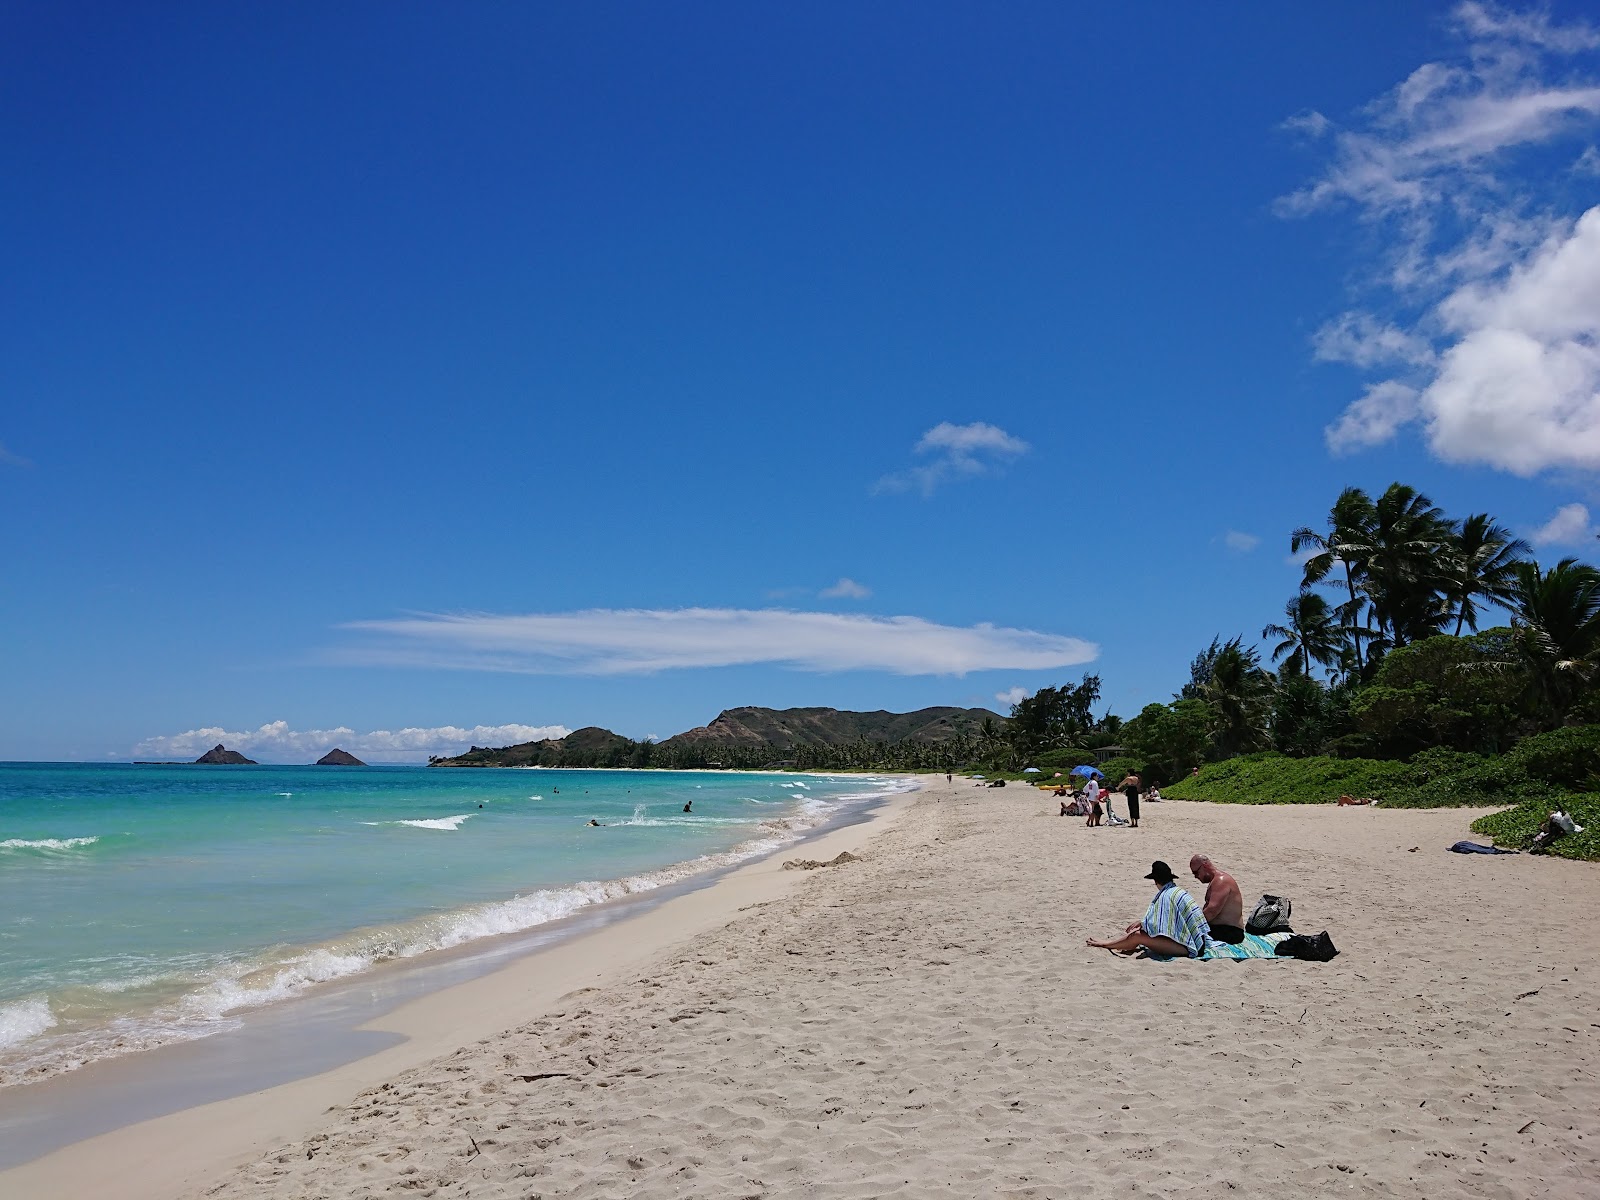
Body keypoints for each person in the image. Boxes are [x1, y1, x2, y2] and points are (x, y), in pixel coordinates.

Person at [1086, 861, 1211, 958]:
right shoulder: (1178, 891)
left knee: (1137, 936)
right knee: (1139, 932)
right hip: (1199, 942)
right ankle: (1113, 943)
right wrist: (1142, 923)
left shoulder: (1166, 896)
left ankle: (1106, 944)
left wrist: (1142, 926)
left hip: (1190, 948)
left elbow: (1155, 926)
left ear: (1155, 881)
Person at [1189, 855, 1245, 943]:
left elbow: (1212, 911)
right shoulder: (1216, 880)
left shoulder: (1221, 881)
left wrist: (1193, 925)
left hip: (1229, 931)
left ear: (1205, 866)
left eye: (1196, 872)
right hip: (1222, 929)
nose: (1196, 877)